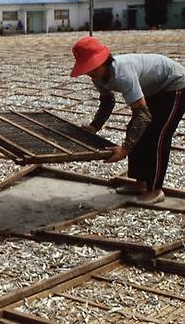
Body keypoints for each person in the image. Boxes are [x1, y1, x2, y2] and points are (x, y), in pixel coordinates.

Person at [70, 36, 185, 204]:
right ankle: (140, 183)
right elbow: (108, 102)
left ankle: (155, 189)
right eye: (87, 69)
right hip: (154, 88)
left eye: (92, 68)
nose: (89, 73)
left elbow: (143, 116)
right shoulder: (98, 77)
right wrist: (94, 127)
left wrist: (124, 149)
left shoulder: (122, 74)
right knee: (135, 129)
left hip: (175, 85)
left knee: (157, 136)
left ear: (104, 61)